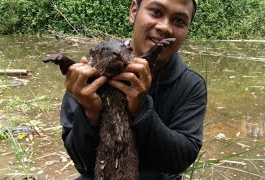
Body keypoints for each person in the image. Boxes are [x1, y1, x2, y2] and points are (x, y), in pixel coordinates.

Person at [60, 0, 207, 179]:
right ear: (134, 11)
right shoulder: (87, 77)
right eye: (156, 12)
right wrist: (89, 113)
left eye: (179, 21)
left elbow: (180, 160)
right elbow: (82, 164)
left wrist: (142, 110)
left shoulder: (191, 85)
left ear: (187, 30)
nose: (165, 27)